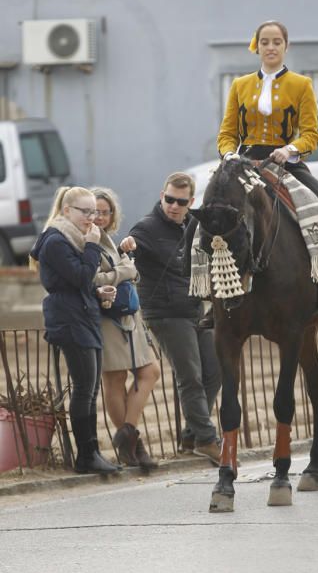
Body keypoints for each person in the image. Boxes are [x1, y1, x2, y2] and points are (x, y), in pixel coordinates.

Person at [217, 19, 318, 311]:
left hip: (285, 162)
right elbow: (227, 134)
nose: (271, 47)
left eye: (277, 42)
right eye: (265, 42)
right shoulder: (240, 85)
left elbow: (311, 135)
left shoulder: (301, 85)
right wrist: (229, 156)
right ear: (257, 46)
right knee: (209, 213)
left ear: (286, 46)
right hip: (244, 162)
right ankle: (209, 290)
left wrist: (289, 149)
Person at [125, 172, 222, 464]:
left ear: (191, 202)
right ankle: (207, 439)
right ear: (161, 196)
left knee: (214, 372)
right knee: (190, 376)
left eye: (181, 201)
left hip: (196, 308)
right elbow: (126, 252)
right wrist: (125, 246)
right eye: (169, 199)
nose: (174, 206)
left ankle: (191, 435)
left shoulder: (195, 225)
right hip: (165, 313)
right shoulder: (145, 229)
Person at [29, 186, 120, 475]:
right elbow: (80, 275)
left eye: (94, 212)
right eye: (86, 211)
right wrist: (92, 246)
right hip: (69, 319)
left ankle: (91, 452)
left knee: (91, 388)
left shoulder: (72, 238)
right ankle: (86, 456)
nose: (91, 218)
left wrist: (97, 292)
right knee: (83, 388)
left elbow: (80, 282)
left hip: (83, 314)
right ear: (67, 210)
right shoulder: (56, 240)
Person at [90, 187, 161, 470]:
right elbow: (94, 278)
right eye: (94, 211)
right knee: (115, 380)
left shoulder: (107, 240)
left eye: (105, 212)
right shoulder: (87, 241)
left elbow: (124, 272)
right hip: (107, 318)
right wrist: (126, 270)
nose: (100, 216)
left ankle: (127, 436)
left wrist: (124, 258)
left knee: (151, 371)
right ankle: (134, 446)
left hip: (128, 317)